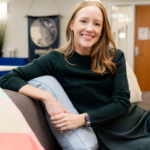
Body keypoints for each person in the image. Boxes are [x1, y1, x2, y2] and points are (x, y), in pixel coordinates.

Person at [0, 1, 150, 150]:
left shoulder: (115, 56)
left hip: (139, 121)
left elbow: (122, 103)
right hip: (110, 136)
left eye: (97, 24)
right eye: (83, 21)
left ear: (103, 29)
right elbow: (7, 78)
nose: (90, 28)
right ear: (72, 24)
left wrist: (82, 119)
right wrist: (47, 97)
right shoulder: (55, 59)